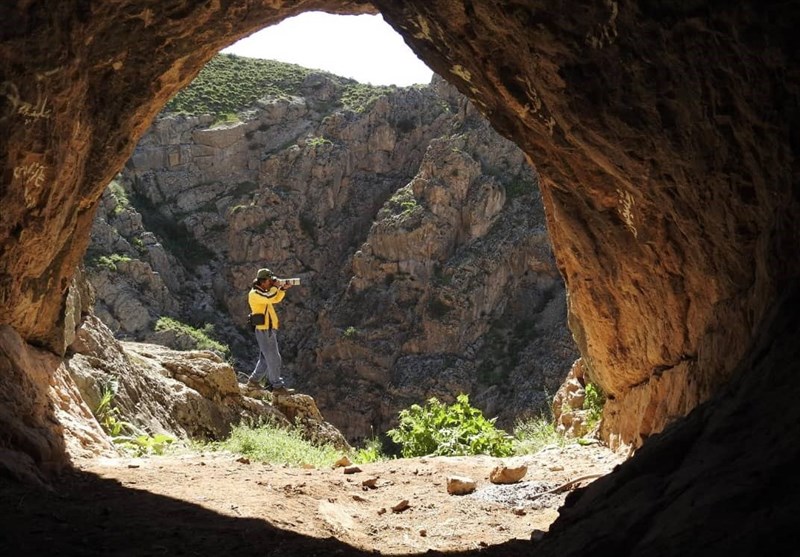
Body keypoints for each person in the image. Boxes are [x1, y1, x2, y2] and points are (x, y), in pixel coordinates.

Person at [247, 267, 295, 395]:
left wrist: (283, 289)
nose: (271, 283)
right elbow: (270, 297)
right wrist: (277, 285)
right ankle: (277, 387)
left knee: (264, 359)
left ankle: (253, 381)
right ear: (262, 282)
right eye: (269, 281)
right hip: (264, 330)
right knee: (274, 358)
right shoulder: (255, 294)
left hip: (267, 329)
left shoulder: (262, 292)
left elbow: (275, 299)